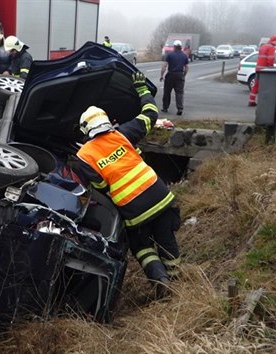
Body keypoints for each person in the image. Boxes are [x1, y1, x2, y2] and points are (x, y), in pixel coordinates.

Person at [75, 72, 182, 287]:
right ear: (106, 121)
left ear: (85, 129)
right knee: (165, 238)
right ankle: (177, 278)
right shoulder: (122, 134)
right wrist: (141, 89)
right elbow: (151, 114)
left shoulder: (84, 156)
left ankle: (160, 279)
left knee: (141, 246)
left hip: (134, 211)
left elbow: (100, 187)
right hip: (160, 196)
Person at [0, 35, 32, 139]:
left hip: (18, 92)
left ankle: (10, 137)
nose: (10, 53)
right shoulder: (16, 56)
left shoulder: (25, 58)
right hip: (11, 90)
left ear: (16, 48)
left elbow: (23, 78)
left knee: (12, 116)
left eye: (11, 51)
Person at [248, 34, 276, 107]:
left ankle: (251, 100)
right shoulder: (271, 48)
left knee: (256, 85)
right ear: (274, 41)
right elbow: (270, 59)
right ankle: (264, 102)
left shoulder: (263, 46)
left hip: (258, 69)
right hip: (265, 70)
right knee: (265, 86)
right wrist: (271, 67)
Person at [160, 39, 188, 116]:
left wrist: (161, 75)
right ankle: (180, 108)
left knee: (167, 92)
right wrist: (183, 75)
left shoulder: (169, 54)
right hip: (180, 75)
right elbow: (186, 68)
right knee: (179, 93)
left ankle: (165, 107)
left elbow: (164, 66)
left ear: (174, 47)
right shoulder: (184, 55)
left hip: (171, 75)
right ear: (181, 47)